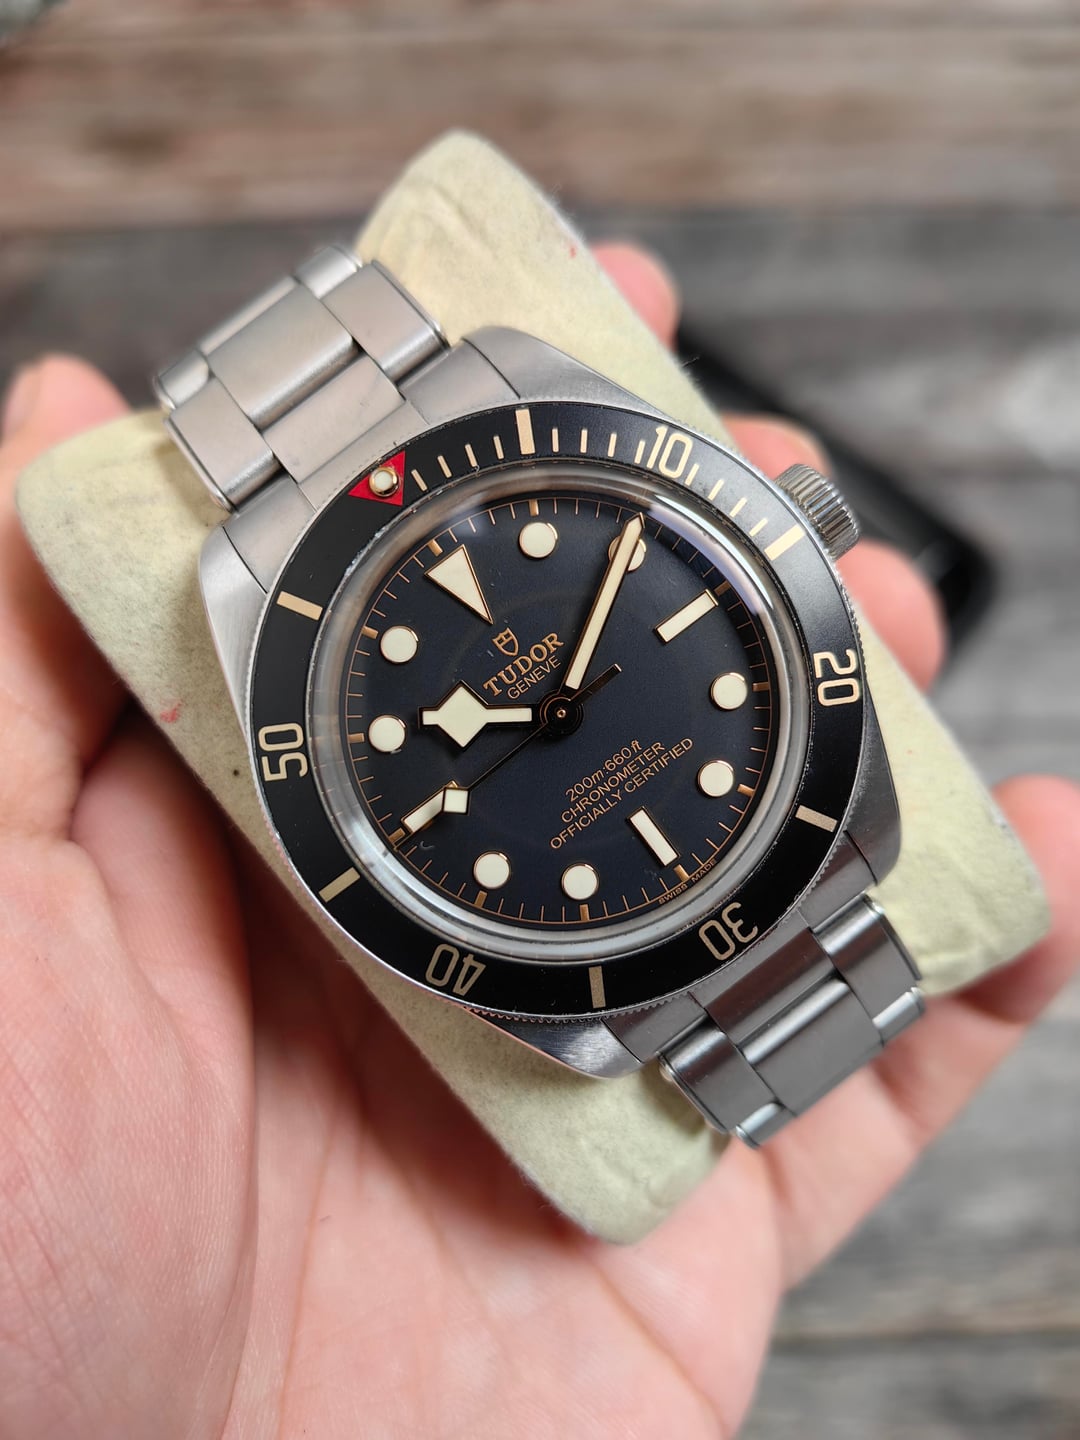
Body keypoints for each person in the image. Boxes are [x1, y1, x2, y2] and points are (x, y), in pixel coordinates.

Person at [0, 244, 1076, 1439]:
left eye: (559, 711)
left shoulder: (466, 432)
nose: (560, 717)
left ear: (793, 532)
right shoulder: (251, 578)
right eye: (551, 717)